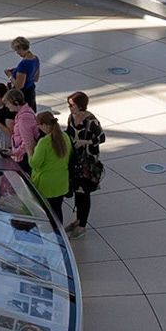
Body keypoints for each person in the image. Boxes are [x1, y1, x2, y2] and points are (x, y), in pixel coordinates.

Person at [66, 91, 106, 237]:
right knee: (78, 191)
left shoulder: (91, 121)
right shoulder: (71, 117)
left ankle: (82, 224)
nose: (70, 107)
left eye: (72, 105)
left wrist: (85, 142)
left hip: (87, 162)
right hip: (76, 160)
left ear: (80, 105)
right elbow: (69, 133)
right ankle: (79, 219)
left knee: (84, 193)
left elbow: (101, 138)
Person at [28, 110, 73, 224]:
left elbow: (34, 163)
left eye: (39, 125)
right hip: (61, 183)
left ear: (44, 125)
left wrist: (30, 152)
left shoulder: (44, 143)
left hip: (46, 185)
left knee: (47, 213)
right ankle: (60, 235)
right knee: (57, 210)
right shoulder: (65, 137)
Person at [4, 86, 40, 166]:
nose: (7, 106)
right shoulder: (22, 114)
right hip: (21, 154)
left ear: (16, 103)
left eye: (8, 103)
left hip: (24, 157)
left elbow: (28, 142)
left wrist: (14, 152)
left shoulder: (24, 118)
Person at [5, 37, 40, 108]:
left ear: (20, 49)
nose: (16, 52)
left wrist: (10, 75)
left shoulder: (23, 65)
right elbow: (36, 78)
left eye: (16, 50)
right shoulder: (35, 59)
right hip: (31, 92)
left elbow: (19, 86)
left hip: (23, 95)